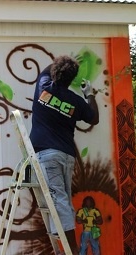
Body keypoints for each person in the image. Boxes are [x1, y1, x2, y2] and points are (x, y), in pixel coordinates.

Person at [30, 55, 99, 255]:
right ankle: (66, 248)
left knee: (59, 201)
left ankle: (72, 249)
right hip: (66, 156)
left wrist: (64, 64)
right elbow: (93, 119)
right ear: (72, 79)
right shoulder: (75, 101)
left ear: (55, 73)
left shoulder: (44, 87)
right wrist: (89, 95)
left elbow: (45, 70)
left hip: (48, 155)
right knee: (62, 200)